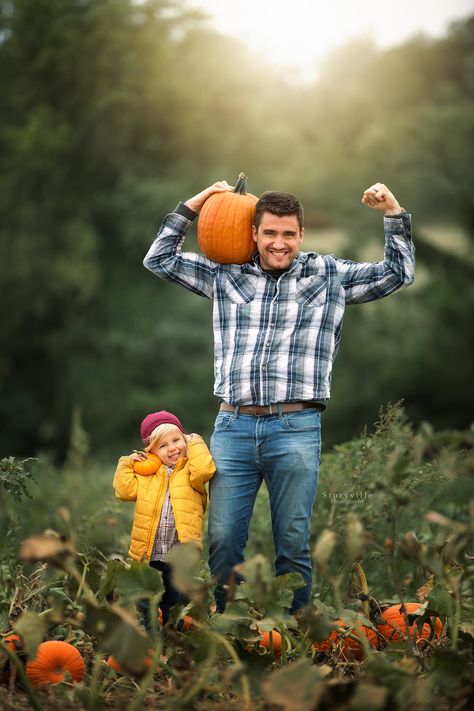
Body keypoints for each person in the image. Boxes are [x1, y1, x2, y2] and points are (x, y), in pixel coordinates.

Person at [143, 181, 415, 614]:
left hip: (296, 427)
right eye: (270, 233)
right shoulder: (224, 274)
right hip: (233, 426)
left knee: (291, 540)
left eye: (289, 234)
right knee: (224, 539)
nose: (279, 243)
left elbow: (397, 274)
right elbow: (158, 258)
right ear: (254, 234)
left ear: (301, 235)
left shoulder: (327, 275)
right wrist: (196, 203)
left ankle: (293, 633)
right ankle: (232, 625)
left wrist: (393, 214)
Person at [113, 409, 216, 624]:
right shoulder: (147, 475)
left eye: (177, 440)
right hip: (148, 550)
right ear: (151, 451)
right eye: (162, 445)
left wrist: (195, 443)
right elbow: (124, 491)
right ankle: (150, 641)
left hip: (179, 551)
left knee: (174, 598)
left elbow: (204, 471)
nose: (172, 448)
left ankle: (173, 643)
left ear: (184, 438)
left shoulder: (190, 471)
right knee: (146, 599)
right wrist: (126, 462)